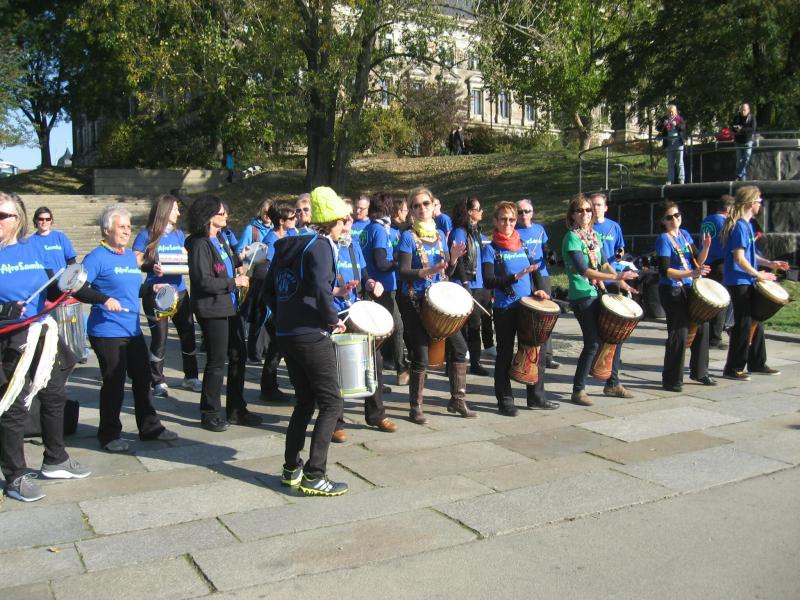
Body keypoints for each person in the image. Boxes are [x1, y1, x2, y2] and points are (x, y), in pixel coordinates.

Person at [0, 192, 90, 502]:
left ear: (18, 219)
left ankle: (55, 459)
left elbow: (49, 287)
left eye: (2, 215)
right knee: (14, 405)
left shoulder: (33, 248)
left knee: (54, 396)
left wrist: (68, 285)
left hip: (42, 334)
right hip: (10, 341)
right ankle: (15, 475)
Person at [262, 186, 352, 496]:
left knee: (305, 401)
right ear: (334, 221)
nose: (346, 225)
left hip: (287, 334)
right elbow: (321, 291)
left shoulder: (288, 245)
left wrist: (286, 317)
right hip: (311, 335)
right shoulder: (322, 247)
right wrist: (333, 319)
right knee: (331, 402)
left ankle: (291, 468)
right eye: (344, 220)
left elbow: (268, 292)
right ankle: (315, 475)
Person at [82, 205, 178, 451]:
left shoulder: (128, 256)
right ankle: (109, 435)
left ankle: (150, 428)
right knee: (114, 383)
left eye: (129, 227)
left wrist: (151, 288)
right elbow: (76, 288)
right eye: (122, 227)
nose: (127, 231)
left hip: (132, 330)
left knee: (143, 379)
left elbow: (131, 288)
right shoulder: (96, 257)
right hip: (106, 332)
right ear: (107, 230)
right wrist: (103, 299)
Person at [396, 187, 473, 423]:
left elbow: (446, 270)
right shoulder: (407, 237)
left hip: (438, 302)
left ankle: (457, 400)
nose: (422, 209)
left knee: (459, 347)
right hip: (414, 300)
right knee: (421, 354)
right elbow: (403, 271)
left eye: (426, 204)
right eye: (416, 205)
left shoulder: (440, 234)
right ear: (411, 210)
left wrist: (454, 259)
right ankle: (416, 407)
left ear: (432, 206)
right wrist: (426, 271)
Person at [186, 196, 262, 432]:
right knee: (217, 361)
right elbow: (203, 281)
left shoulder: (220, 239)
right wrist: (233, 282)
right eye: (221, 213)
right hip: (212, 309)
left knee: (239, 355)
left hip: (229, 306)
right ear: (208, 216)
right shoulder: (199, 244)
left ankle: (236, 409)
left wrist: (239, 260)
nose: (226, 216)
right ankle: (210, 412)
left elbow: (222, 266)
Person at [483, 201, 559, 415]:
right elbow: (489, 281)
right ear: (495, 221)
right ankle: (505, 400)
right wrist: (514, 277)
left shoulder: (522, 244)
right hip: (505, 308)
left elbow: (535, 272)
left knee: (536, 352)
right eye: (503, 219)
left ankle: (536, 397)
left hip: (528, 308)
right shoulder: (491, 249)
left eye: (511, 219)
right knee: (505, 354)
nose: (507, 223)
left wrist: (540, 290)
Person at [562, 195, 638, 406]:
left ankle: (612, 383)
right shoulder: (572, 237)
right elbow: (584, 270)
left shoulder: (594, 235)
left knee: (615, 336)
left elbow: (604, 264)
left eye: (588, 210)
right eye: (579, 210)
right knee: (593, 342)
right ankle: (578, 390)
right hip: (582, 294)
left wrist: (622, 282)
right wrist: (616, 276)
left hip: (597, 292)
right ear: (572, 215)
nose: (585, 214)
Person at [331, 203, 397, 439]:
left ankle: (376, 414)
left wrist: (371, 283)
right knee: (338, 368)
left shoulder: (353, 245)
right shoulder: (326, 247)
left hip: (356, 309)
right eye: (345, 217)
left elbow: (365, 275)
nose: (350, 220)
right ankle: (336, 423)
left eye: (351, 216)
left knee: (375, 362)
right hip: (335, 314)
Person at [132, 195, 201, 397]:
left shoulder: (179, 235)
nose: (178, 213)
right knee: (159, 339)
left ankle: (191, 376)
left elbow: (185, 257)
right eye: (174, 209)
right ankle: (157, 380)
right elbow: (135, 261)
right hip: (157, 293)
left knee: (188, 335)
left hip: (180, 291)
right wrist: (151, 266)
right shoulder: (146, 234)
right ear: (164, 211)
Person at [721, 186, 789, 380]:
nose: (761, 205)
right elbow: (739, 258)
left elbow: (750, 255)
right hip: (738, 280)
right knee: (743, 323)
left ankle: (757, 362)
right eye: (759, 201)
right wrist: (758, 274)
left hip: (746, 278)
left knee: (756, 321)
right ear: (751, 203)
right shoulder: (740, 227)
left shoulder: (747, 225)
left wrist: (770, 264)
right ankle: (733, 368)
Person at [655, 201, 715, 392]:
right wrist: (691, 273)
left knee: (702, 325)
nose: (674, 219)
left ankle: (700, 372)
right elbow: (665, 270)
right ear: (663, 221)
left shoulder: (684, 234)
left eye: (677, 215)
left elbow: (697, 260)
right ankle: (671, 380)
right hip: (672, 290)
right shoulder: (663, 239)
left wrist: (705, 247)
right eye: (669, 217)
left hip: (689, 287)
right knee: (679, 333)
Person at [361, 193, 409, 385]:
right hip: (383, 287)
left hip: (372, 285)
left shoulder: (367, 228)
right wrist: (399, 263)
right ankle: (401, 370)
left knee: (376, 332)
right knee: (397, 327)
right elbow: (381, 263)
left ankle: (376, 378)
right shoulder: (380, 230)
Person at [256, 202, 297, 403]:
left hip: (287, 298)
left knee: (279, 347)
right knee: (278, 346)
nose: (296, 220)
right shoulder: (271, 241)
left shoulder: (291, 235)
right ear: (281, 221)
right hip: (275, 301)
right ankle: (269, 387)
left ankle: (270, 386)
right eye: (292, 218)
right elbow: (266, 272)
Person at [450, 196, 492, 376]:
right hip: (466, 284)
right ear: (469, 212)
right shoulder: (460, 232)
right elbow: (458, 260)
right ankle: (455, 363)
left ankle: (475, 362)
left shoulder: (476, 231)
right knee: (461, 326)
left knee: (476, 325)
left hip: (479, 284)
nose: (481, 212)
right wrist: (465, 282)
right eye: (478, 208)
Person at [516, 198, 559, 369]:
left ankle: (547, 356)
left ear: (532, 212)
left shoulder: (539, 229)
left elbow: (544, 247)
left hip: (542, 275)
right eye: (520, 212)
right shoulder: (513, 230)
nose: (523, 214)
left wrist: (549, 254)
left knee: (546, 317)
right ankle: (525, 355)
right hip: (524, 277)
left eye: (527, 211)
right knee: (526, 318)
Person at [235, 199, 274, 363]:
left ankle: (265, 348)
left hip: (271, 275)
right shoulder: (251, 229)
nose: (268, 216)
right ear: (260, 212)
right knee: (257, 313)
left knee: (269, 313)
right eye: (265, 212)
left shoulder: (276, 229)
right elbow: (240, 251)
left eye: (271, 213)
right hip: (255, 276)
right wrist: (246, 254)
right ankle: (254, 351)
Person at [701, 194, 735, 348]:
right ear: (728, 208)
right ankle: (715, 338)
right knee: (722, 301)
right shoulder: (725, 222)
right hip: (721, 263)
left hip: (706, 262)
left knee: (709, 300)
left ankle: (704, 334)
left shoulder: (707, 220)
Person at [28, 206, 77, 271]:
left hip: (62, 277)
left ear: (51, 220)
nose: (44, 221)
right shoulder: (30, 242)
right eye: (41, 219)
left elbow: (71, 260)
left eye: (47, 219)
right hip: (42, 277)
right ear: (36, 220)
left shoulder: (60, 237)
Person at [590, 192, 626, 278]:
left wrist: (619, 255)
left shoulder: (614, 226)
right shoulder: (585, 227)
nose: (595, 207)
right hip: (592, 275)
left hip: (611, 273)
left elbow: (620, 247)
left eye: (599, 205)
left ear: (605, 208)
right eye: (593, 205)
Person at [656, 104, 686, 185]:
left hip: (678, 143)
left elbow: (683, 127)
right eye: (669, 112)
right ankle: (670, 180)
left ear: (675, 112)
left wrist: (676, 125)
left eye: (672, 112)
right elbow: (658, 128)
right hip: (669, 144)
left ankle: (681, 179)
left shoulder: (679, 119)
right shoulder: (664, 119)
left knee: (680, 162)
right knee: (670, 163)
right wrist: (663, 124)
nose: (671, 113)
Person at [732, 103, 757, 181]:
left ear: (748, 110)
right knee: (739, 161)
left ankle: (738, 174)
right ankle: (743, 181)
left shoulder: (752, 117)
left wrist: (742, 129)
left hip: (748, 141)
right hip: (738, 142)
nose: (743, 111)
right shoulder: (736, 117)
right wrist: (736, 128)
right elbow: (733, 127)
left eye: (744, 110)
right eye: (741, 110)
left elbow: (752, 129)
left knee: (746, 158)